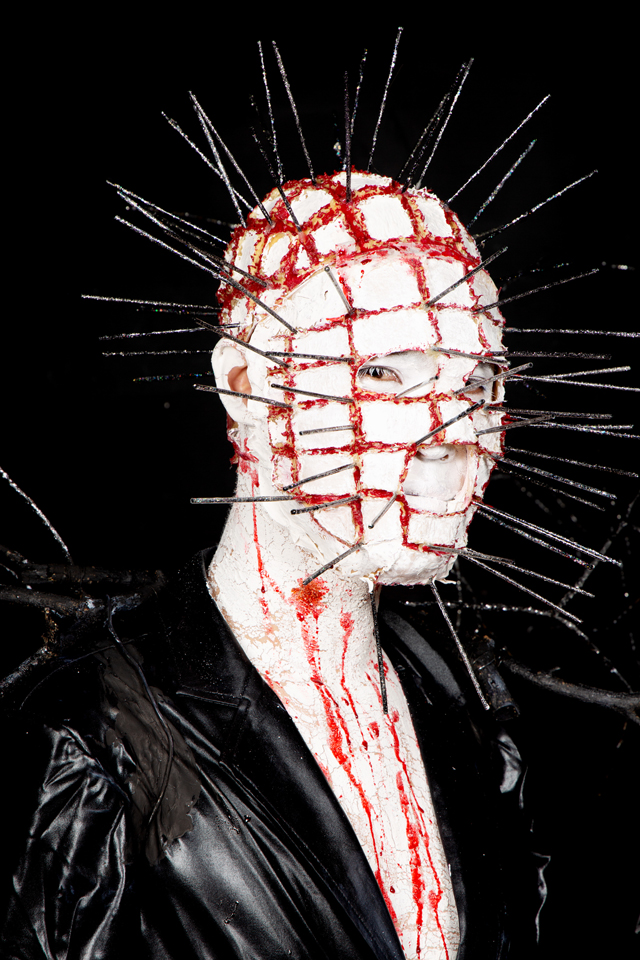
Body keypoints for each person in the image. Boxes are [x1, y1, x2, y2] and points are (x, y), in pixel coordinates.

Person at [2, 171, 536, 959]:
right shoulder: (92, 732)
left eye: (480, 384)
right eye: (381, 372)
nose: (453, 437)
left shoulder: (471, 710)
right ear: (248, 384)